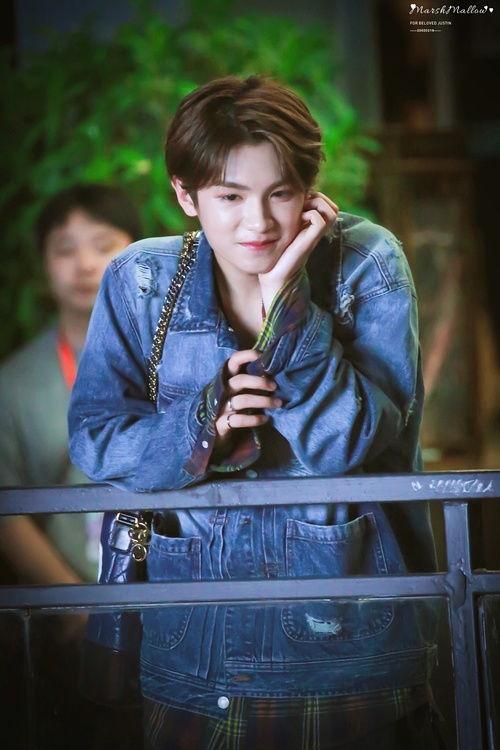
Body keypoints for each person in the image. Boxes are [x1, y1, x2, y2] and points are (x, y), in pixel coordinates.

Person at [69, 76, 444, 749]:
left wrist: (286, 300)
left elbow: (344, 444)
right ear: (186, 195)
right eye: (230, 196)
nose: (259, 222)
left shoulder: (364, 264)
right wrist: (201, 430)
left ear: (311, 192)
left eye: (281, 193)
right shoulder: (143, 280)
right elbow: (95, 438)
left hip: (350, 648)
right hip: (190, 648)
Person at [0, 184, 141, 586]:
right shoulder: (13, 384)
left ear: (138, 254)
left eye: (103, 246)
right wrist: (74, 607)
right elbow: (6, 515)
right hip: (67, 601)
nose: (85, 264)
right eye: (65, 250)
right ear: (43, 265)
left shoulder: (178, 360)